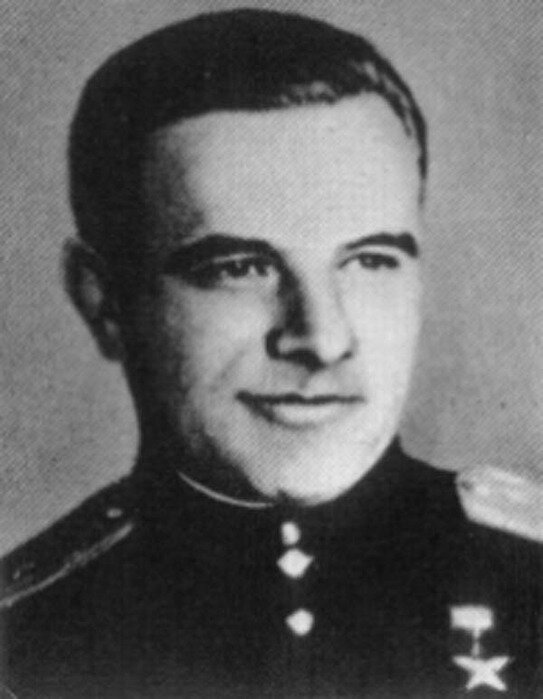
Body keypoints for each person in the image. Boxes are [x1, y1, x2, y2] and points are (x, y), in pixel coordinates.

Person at [1, 9, 541, 698]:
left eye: (370, 260)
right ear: (103, 300)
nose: (321, 339)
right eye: (240, 268)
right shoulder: (27, 638)